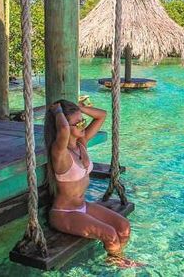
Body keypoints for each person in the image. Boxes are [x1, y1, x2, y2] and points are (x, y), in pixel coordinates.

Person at [44, 99, 142, 268]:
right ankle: (116, 264)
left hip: (83, 205)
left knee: (124, 227)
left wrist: (79, 108)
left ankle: (115, 259)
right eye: (78, 123)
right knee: (110, 234)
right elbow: (63, 129)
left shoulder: (81, 144)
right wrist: (57, 110)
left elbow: (102, 116)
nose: (83, 125)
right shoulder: (60, 153)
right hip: (64, 213)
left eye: (83, 121)